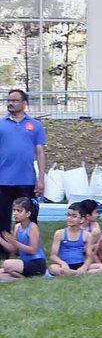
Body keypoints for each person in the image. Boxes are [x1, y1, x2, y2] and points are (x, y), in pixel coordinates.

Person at [0, 89, 45, 242]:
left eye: (14, 100)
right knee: (3, 217)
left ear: (24, 104)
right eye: (9, 100)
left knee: (28, 216)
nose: (10, 103)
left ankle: (29, 249)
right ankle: (4, 251)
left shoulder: (35, 125)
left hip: (26, 180)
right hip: (3, 180)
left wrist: (41, 179)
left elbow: (40, 153)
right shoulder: (1, 125)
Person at [48, 203, 102, 276]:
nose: (69, 218)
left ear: (81, 219)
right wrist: (62, 263)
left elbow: (89, 255)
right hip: (64, 265)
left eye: (74, 216)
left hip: (80, 265)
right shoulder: (60, 233)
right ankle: (76, 273)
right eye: (68, 215)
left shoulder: (86, 235)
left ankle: (74, 273)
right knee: (53, 268)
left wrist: (84, 267)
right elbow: (53, 255)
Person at [0, 197, 46, 279]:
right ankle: (22, 277)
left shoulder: (32, 227)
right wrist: (1, 240)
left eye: (19, 211)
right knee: (2, 271)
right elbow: (15, 250)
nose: (15, 213)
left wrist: (15, 243)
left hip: (36, 263)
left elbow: (33, 250)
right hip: (24, 263)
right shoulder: (17, 227)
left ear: (28, 214)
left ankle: (21, 276)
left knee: (7, 264)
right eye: (14, 210)